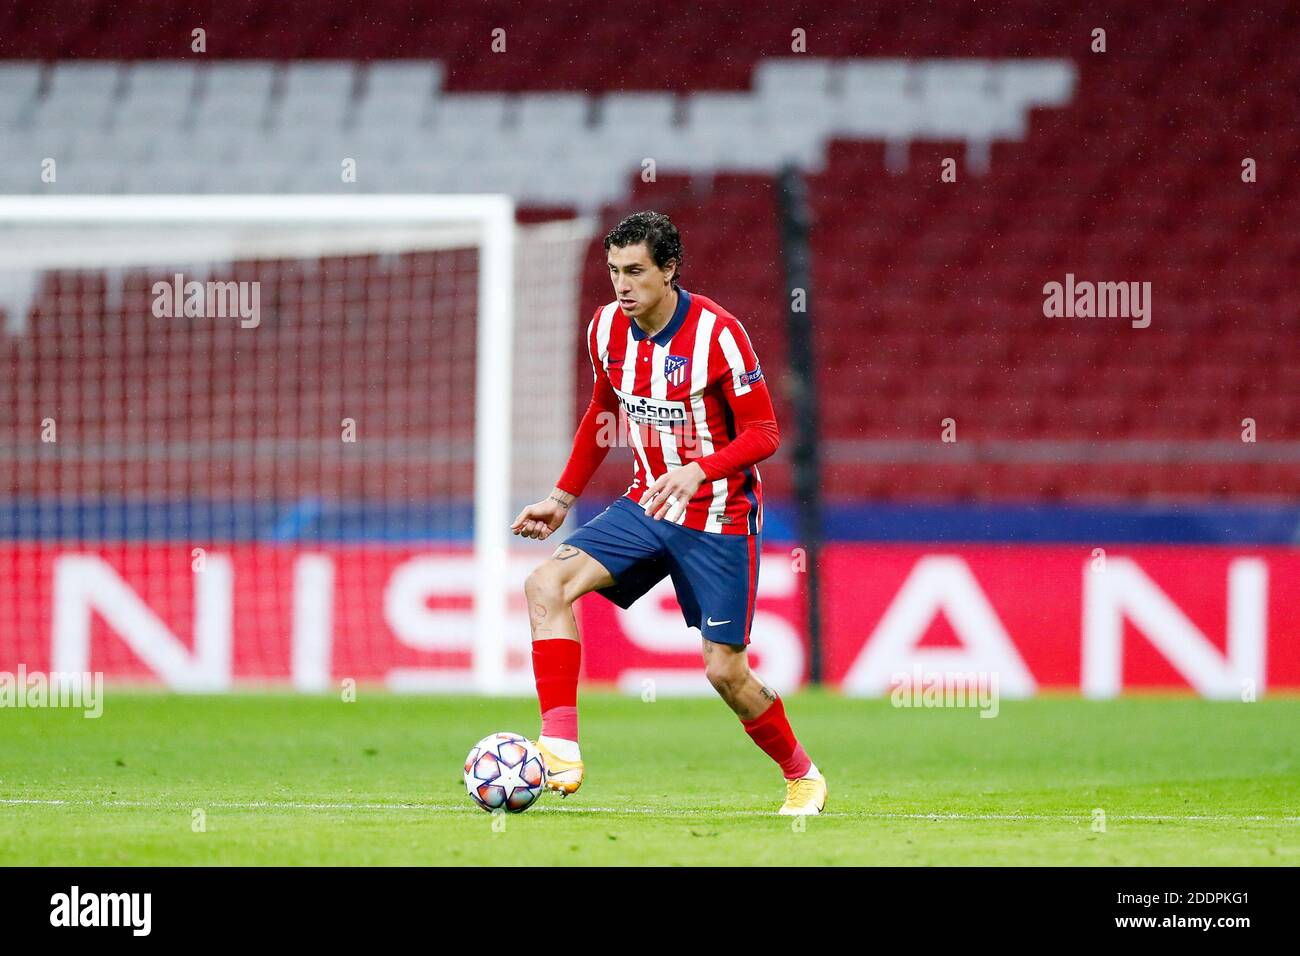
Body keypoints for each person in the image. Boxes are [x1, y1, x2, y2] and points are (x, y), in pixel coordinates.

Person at [511, 211, 826, 815]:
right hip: (648, 501)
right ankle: (559, 747)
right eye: (612, 272)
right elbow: (601, 415)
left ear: (669, 270)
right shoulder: (605, 328)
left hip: (719, 516)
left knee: (725, 672)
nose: (622, 286)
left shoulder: (719, 335)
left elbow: (764, 432)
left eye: (635, 272)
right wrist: (561, 498)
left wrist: (700, 469)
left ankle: (802, 773)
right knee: (544, 583)